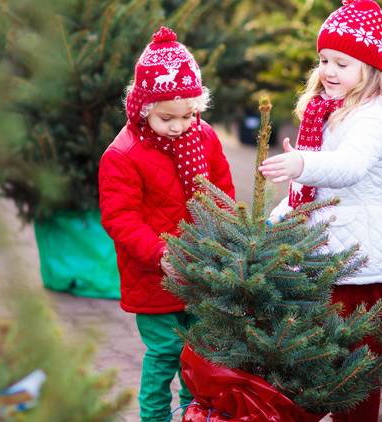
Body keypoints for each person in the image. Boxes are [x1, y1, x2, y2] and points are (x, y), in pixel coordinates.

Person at [258, 1, 382, 420]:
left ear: (370, 68)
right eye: (324, 60)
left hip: (361, 262)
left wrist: (302, 162)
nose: (329, 71)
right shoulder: (327, 110)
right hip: (323, 253)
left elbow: (349, 167)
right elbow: (312, 190)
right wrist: (274, 223)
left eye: (342, 62)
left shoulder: (371, 118)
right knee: (310, 363)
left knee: (355, 371)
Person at [98, 26, 235, 421]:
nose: (179, 126)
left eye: (188, 115)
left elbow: (220, 194)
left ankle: (195, 413)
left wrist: (226, 239)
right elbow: (120, 217)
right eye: (166, 118)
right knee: (163, 353)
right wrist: (161, 255)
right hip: (154, 275)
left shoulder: (204, 137)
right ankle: (154, 416)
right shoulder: (122, 155)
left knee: (199, 353)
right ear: (142, 110)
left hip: (202, 270)